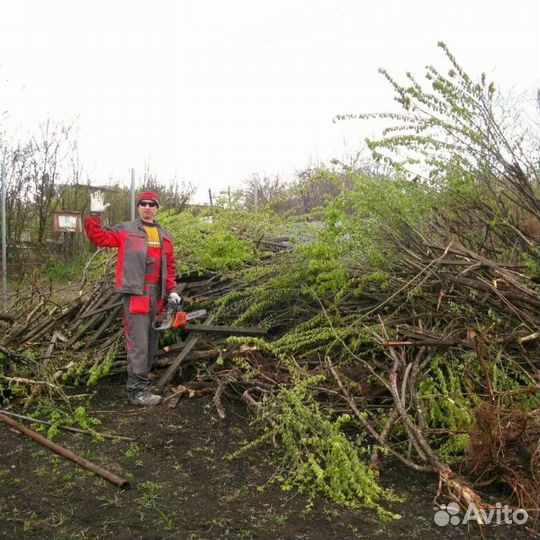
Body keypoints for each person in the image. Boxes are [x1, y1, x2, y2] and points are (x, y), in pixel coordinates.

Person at [84, 190, 180, 406]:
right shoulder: (126, 230)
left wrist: (171, 290)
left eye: (151, 204)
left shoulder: (165, 236)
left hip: (158, 295)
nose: (147, 207)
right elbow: (98, 237)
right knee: (138, 343)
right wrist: (94, 215)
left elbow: (170, 266)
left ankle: (143, 384)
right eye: (143, 203)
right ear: (138, 207)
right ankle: (136, 392)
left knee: (151, 343)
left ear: (157, 208)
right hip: (137, 293)